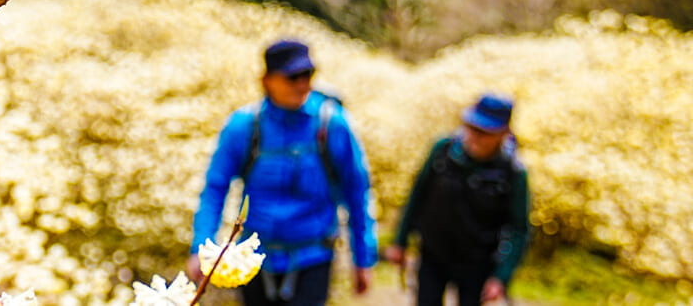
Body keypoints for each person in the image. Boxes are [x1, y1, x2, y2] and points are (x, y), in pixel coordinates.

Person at [187, 39, 378, 305]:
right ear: (266, 80)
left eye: (308, 75)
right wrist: (201, 248)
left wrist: (363, 258)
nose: (302, 84)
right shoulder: (243, 126)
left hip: (313, 258)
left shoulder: (333, 124)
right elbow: (215, 188)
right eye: (292, 76)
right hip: (252, 262)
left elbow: (357, 191)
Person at [387, 93, 530, 306]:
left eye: (484, 132)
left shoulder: (513, 173)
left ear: (503, 133)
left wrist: (501, 276)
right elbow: (417, 195)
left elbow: (519, 228)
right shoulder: (443, 151)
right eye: (472, 128)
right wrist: (400, 241)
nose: (475, 137)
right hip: (433, 254)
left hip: (478, 262)